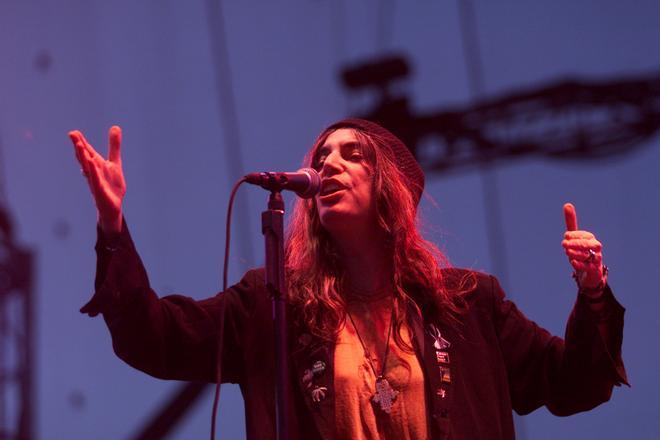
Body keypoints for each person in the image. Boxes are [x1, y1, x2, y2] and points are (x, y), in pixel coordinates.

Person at [69, 119, 627, 439]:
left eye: (352, 154)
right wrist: (112, 223)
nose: (329, 164)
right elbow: (153, 336)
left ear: (390, 188)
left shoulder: (469, 304)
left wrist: (593, 294)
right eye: (322, 155)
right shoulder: (271, 306)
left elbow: (574, 384)